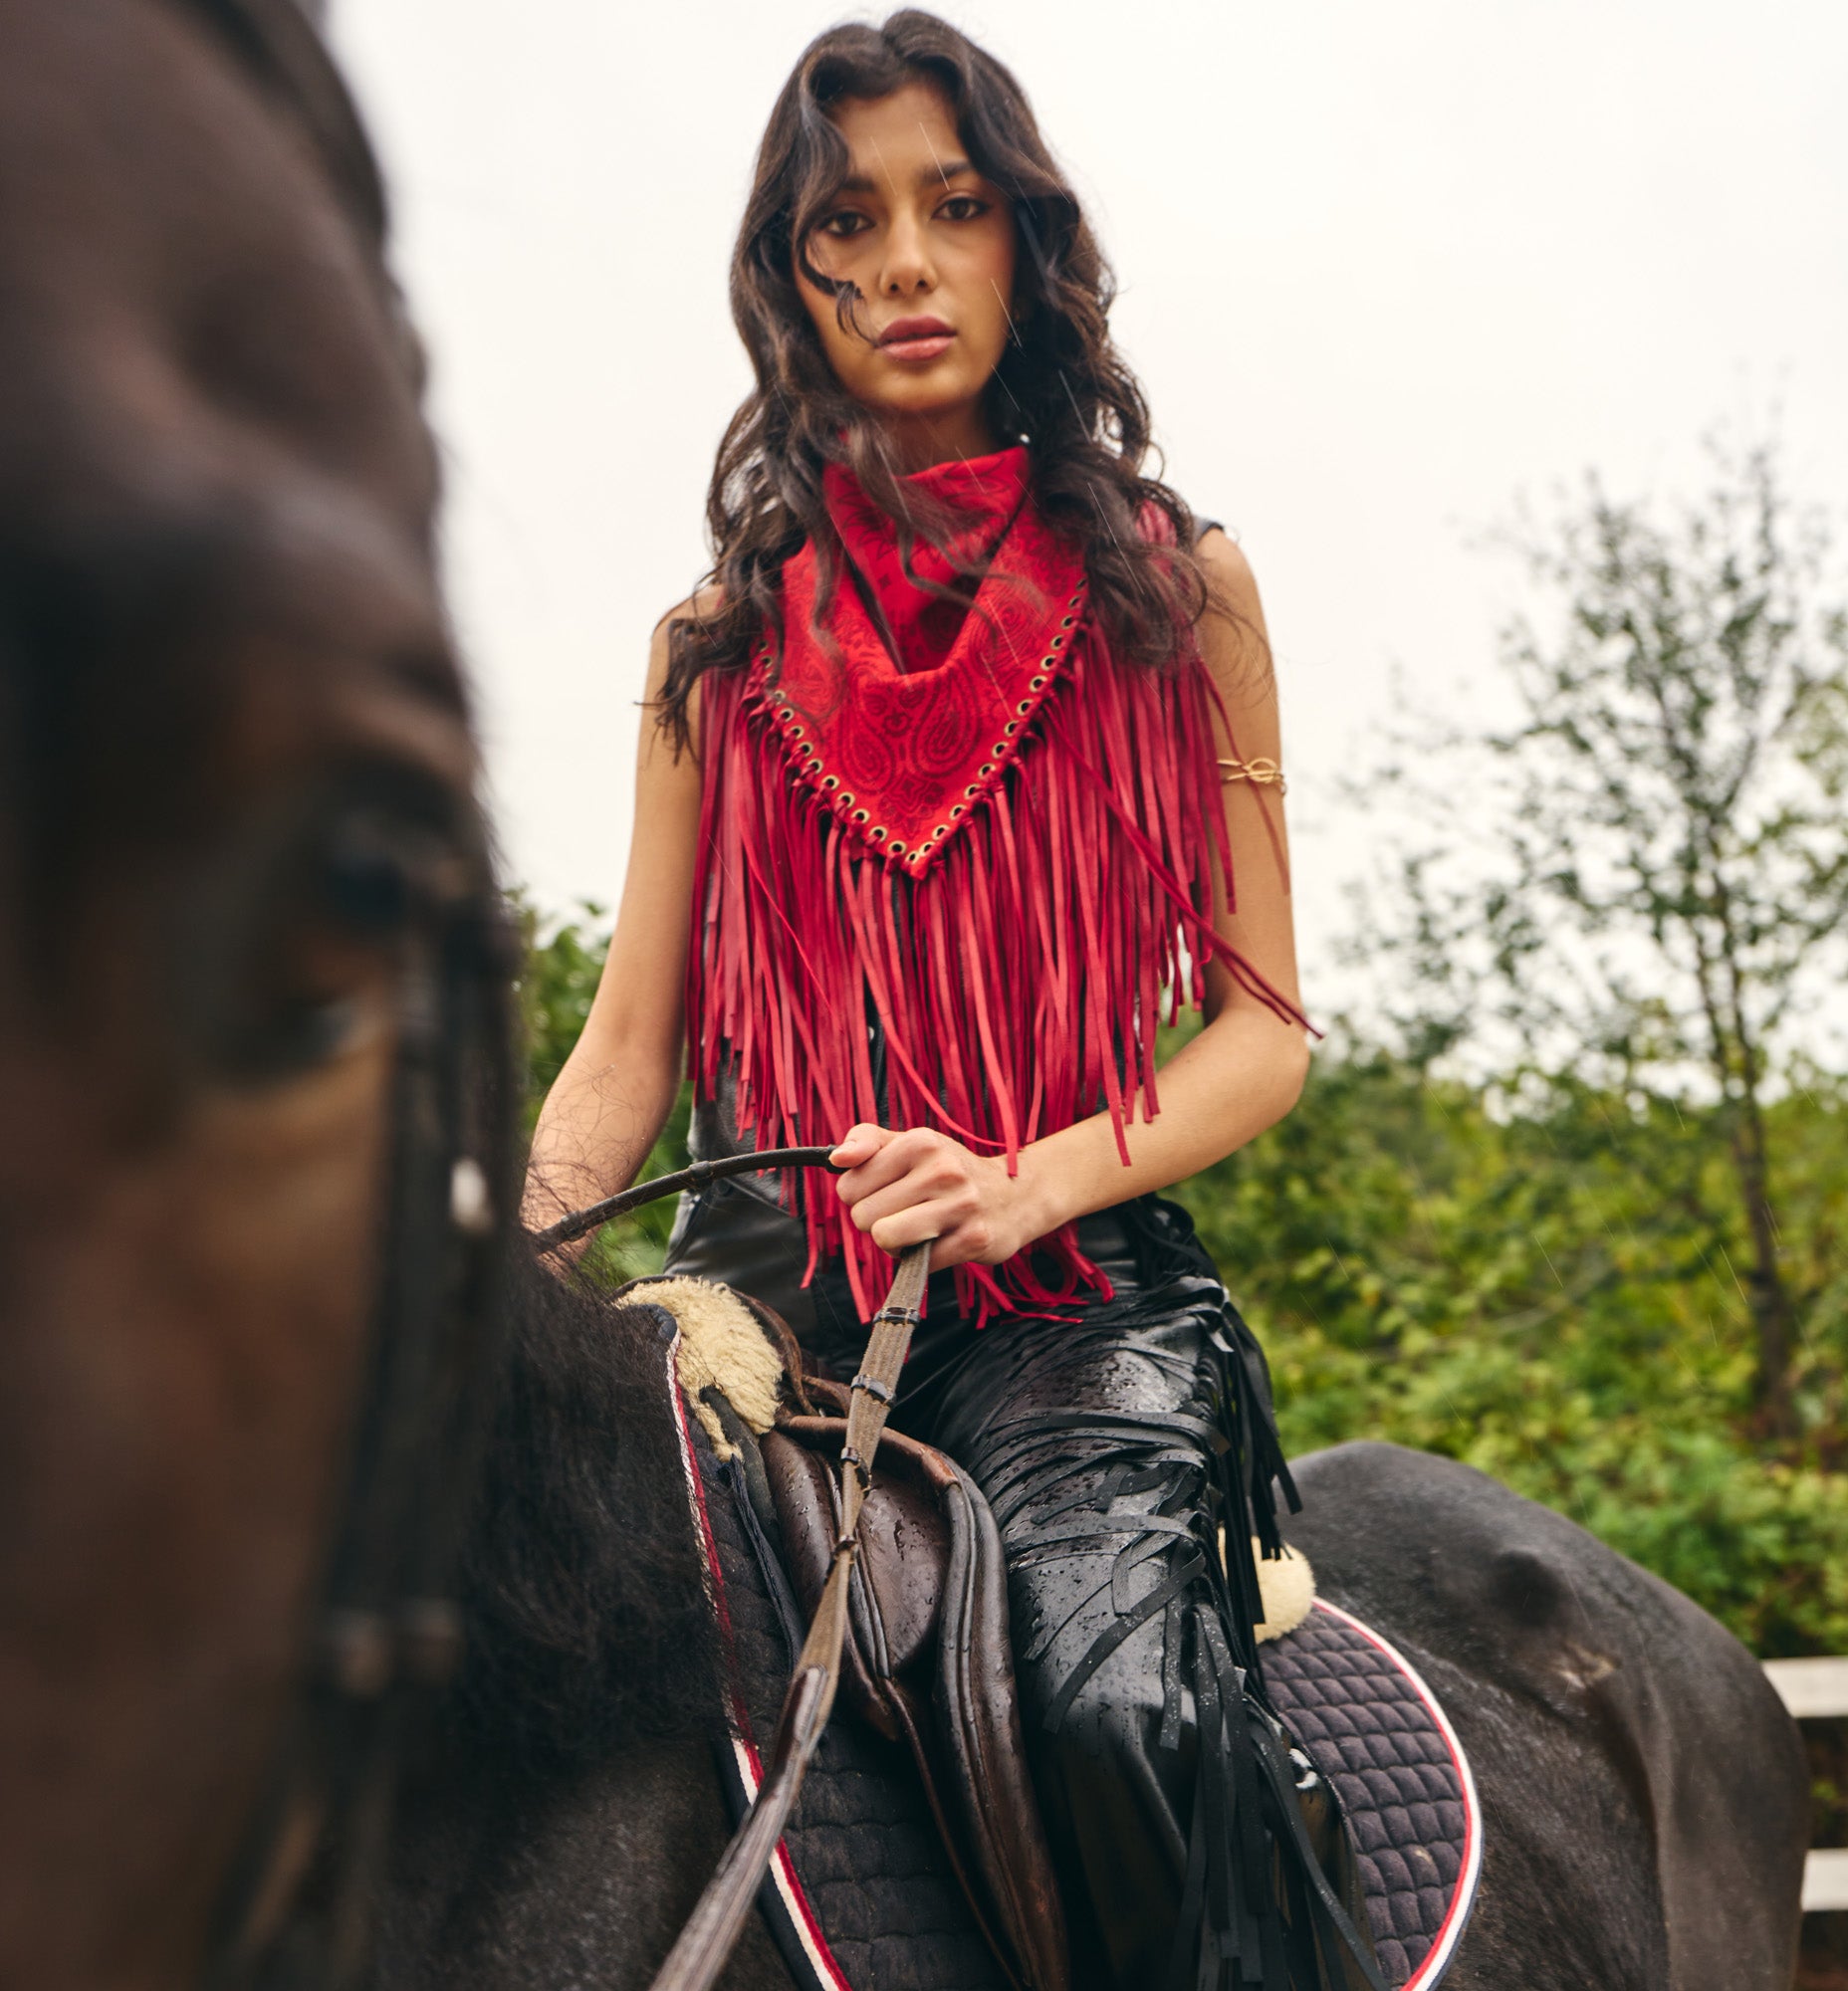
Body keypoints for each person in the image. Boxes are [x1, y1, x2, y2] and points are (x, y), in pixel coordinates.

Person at [523, 14, 1375, 1988]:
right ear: (788, 278)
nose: (906, 262)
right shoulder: (709, 652)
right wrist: (490, 1250)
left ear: (1023, 244)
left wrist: (1016, 1182)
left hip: (1060, 1302)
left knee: (1113, 1713)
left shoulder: (1182, 591)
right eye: (850, 221)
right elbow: (624, 1063)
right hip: (745, 1310)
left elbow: (1261, 1034)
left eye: (955, 207)